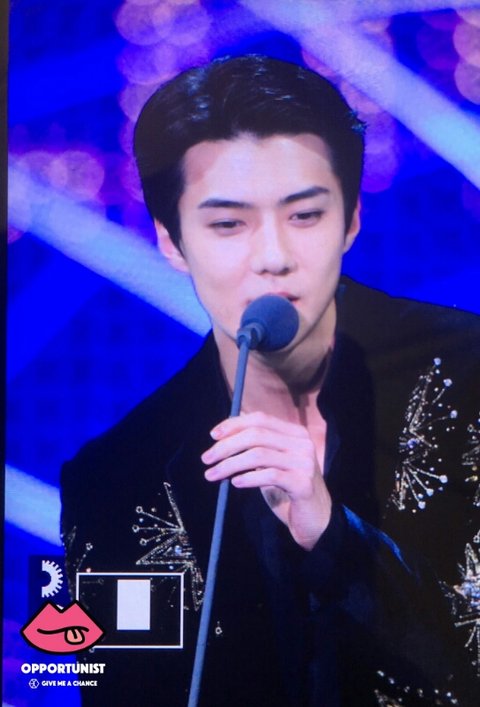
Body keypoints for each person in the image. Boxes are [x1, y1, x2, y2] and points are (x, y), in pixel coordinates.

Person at [61, 55, 480, 706]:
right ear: (171, 241)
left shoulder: (467, 372)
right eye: (228, 224)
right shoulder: (115, 478)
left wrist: (332, 533)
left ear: (351, 219)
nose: (274, 257)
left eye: (305, 215)